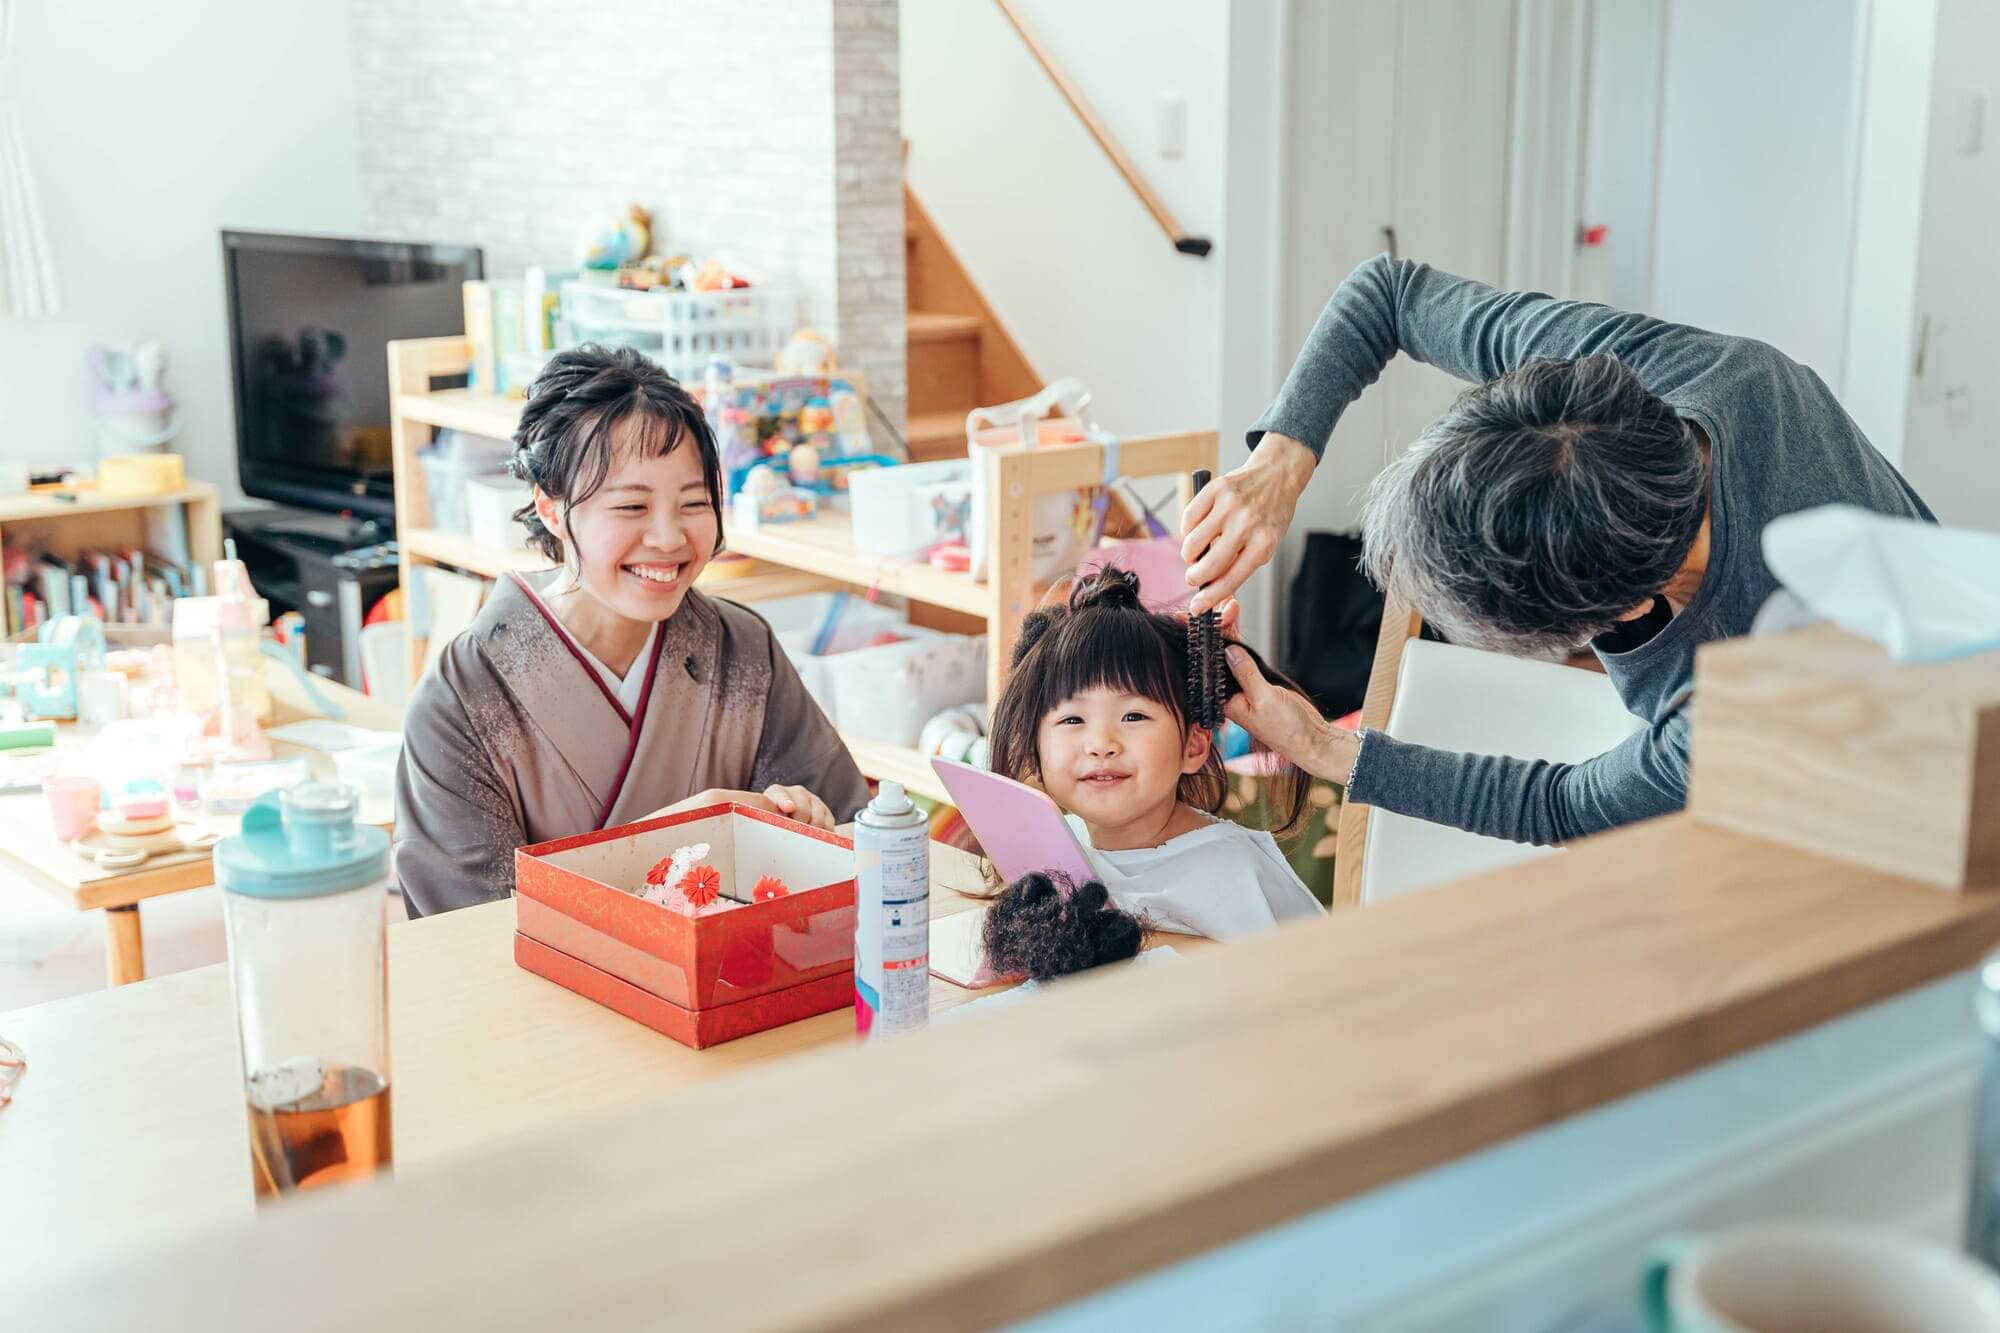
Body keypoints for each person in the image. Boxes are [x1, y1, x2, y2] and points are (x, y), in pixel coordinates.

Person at [1182, 254, 1934, 847]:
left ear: (1622, 612)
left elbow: (1562, 802)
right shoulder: (1619, 396)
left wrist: (1325, 747)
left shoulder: (1745, 690)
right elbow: (1389, 294)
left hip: (1893, 792)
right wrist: (1278, 463)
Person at [394, 345, 869, 917]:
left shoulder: (742, 652)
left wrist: (803, 823)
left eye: (693, 502)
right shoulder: (463, 699)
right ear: (551, 508)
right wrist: (685, 834)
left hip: (733, 987)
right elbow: (475, 928)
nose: (669, 539)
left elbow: (850, 835)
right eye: (631, 507)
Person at [985, 570, 1323, 940]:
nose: (1101, 743)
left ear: (1193, 745)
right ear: (1036, 748)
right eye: (1072, 719)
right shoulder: (1059, 851)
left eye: (1133, 716)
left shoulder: (1232, 874)